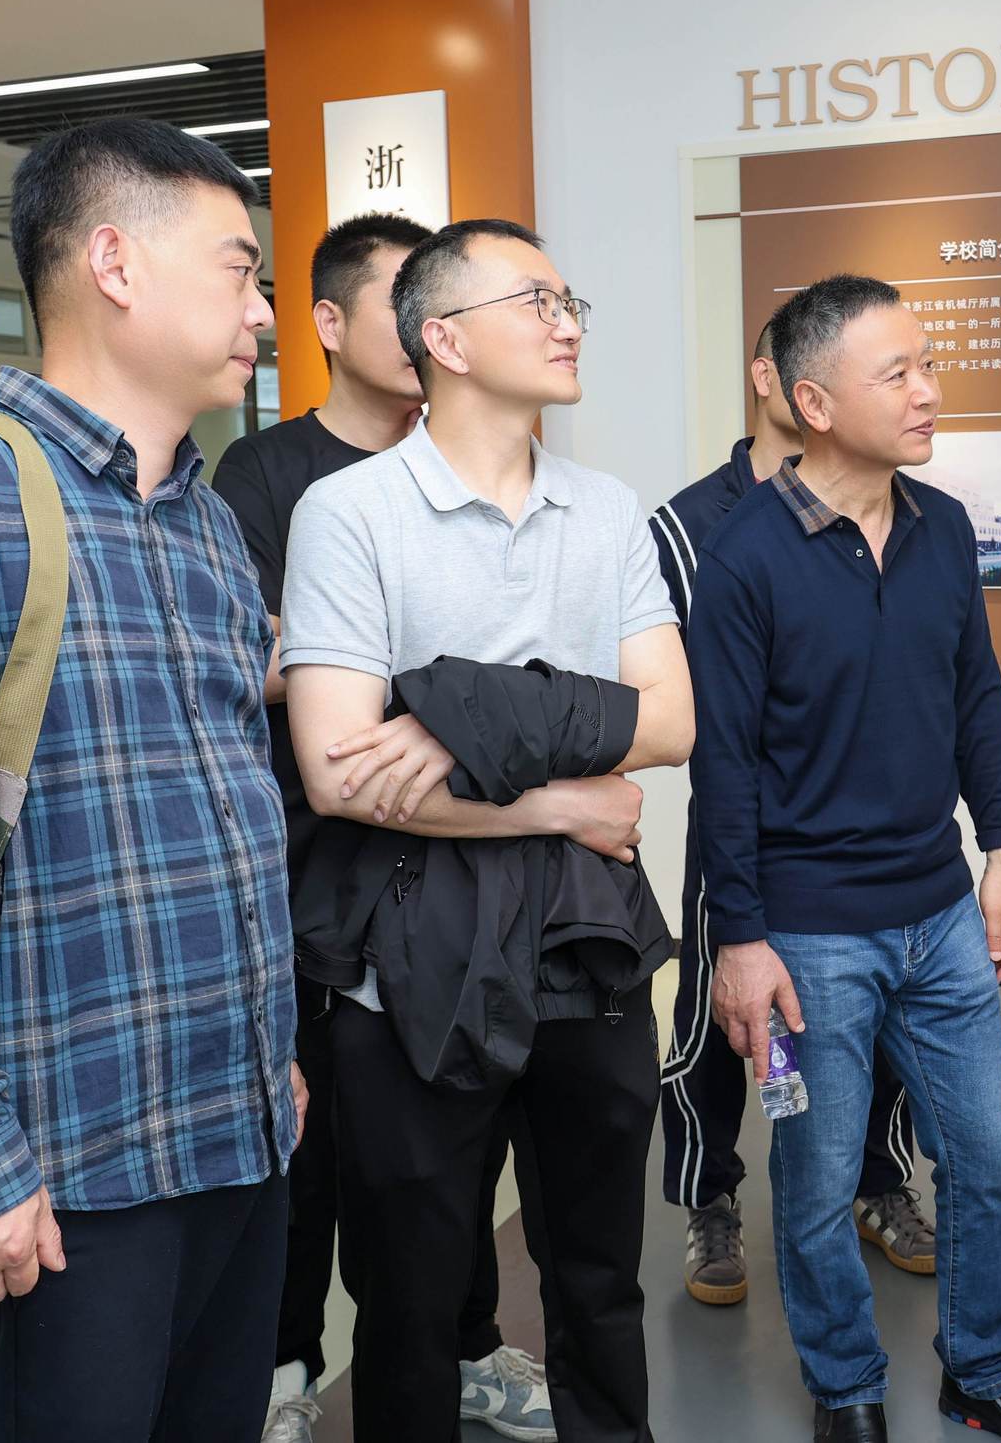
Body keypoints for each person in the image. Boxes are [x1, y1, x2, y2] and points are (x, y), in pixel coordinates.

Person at [0, 119, 304, 1443]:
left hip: (237, 1128)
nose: (261, 311)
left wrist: (275, 1059)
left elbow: (234, 808)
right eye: (240, 269)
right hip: (69, 1157)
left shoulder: (208, 523)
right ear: (116, 263)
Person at [283, 217, 688, 1443]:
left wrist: (454, 709)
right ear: (444, 339)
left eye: (570, 303)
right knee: (409, 1298)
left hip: (584, 929)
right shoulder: (349, 511)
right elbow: (340, 774)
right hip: (411, 939)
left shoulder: (604, 509)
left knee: (599, 1280)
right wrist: (562, 795)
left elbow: (671, 722)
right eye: (537, 301)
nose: (568, 324)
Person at [689, 275, 1001, 1443]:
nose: (929, 392)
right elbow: (724, 770)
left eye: (928, 366)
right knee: (818, 1181)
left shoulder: (941, 527)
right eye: (899, 374)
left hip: (939, 911)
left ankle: (982, 1373)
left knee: (987, 1157)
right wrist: (740, 941)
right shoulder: (743, 558)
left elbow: (975, 699)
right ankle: (846, 1391)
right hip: (808, 934)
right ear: (814, 403)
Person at [212, 211, 553, 1443]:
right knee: (310, 1151)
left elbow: (543, 672)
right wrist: (432, 684)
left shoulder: (476, 465)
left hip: (453, 865)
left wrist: (365, 667)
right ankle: (287, 1372)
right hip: (313, 872)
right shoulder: (264, 478)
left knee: (451, 1151)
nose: (428, 323)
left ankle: (465, 1348)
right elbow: (251, 664)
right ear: (328, 323)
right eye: (405, 298)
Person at [651, 321, 931, 1308]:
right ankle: (710, 1198)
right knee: (715, 1020)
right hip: (741, 830)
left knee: (876, 1025)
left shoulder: (894, 506)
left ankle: (877, 1182)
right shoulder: (692, 524)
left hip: (863, 846)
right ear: (778, 379)